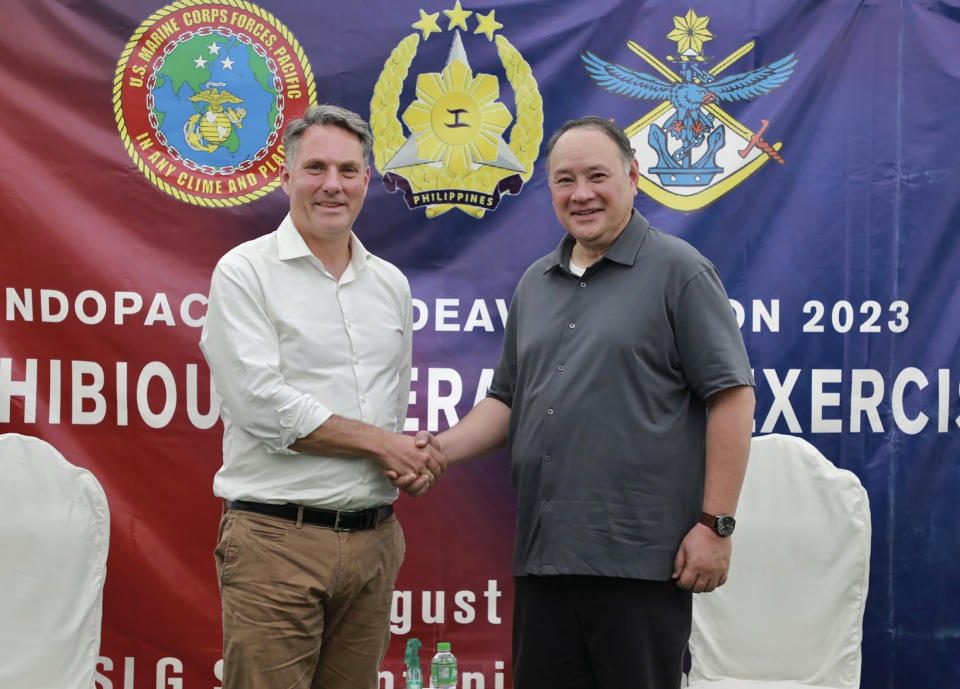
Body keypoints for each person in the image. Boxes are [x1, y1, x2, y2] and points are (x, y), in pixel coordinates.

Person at [415, 116, 755, 688]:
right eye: (564, 180)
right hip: (544, 560)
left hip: (640, 563)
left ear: (633, 177)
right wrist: (437, 450)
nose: (581, 194)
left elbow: (732, 398)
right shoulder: (535, 284)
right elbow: (507, 400)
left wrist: (715, 526)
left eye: (597, 176)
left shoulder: (681, 273)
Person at [200, 104, 445, 689]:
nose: (331, 185)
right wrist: (385, 445)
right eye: (315, 168)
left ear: (368, 181)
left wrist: (409, 461)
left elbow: (388, 407)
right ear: (286, 178)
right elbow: (261, 404)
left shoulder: (391, 284)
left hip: (374, 543)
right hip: (276, 543)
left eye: (348, 170)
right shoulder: (245, 272)